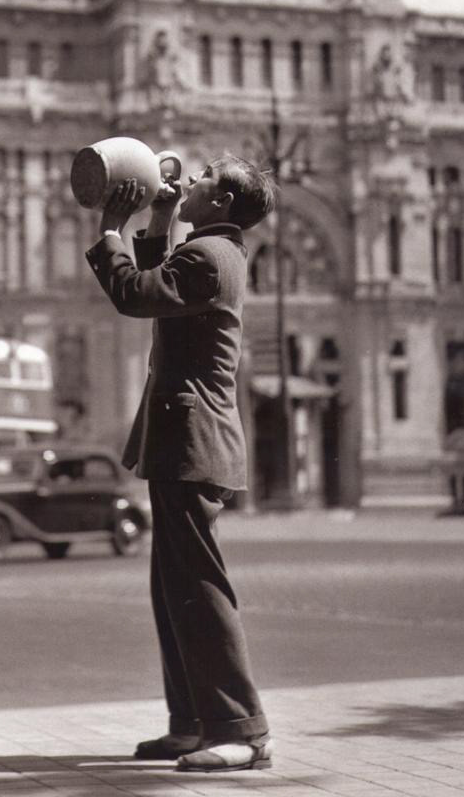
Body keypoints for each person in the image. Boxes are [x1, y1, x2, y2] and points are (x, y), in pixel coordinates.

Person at [85, 154, 276, 774]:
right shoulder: (212, 253)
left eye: (204, 177)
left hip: (193, 440)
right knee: (176, 589)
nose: (190, 179)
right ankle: (193, 720)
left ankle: (241, 729)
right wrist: (161, 219)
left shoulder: (209, 258)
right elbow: (161, 283)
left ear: (221, 202)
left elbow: (136, 294)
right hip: (184, 438)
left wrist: (110, 228)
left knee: (197, 586)